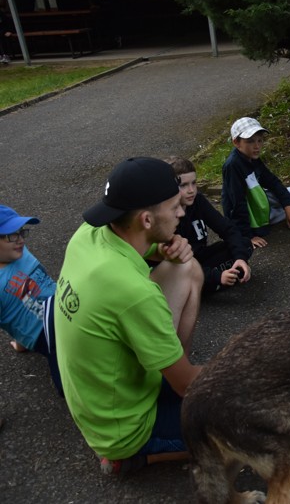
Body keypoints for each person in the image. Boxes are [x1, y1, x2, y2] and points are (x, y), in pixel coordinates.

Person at [55, 157, 204, 474]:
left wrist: (165, 249)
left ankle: (171, 363)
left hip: (98, 400)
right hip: (127, 430)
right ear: (147, 220)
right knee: (246, 427)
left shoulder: (89, 233)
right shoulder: (134, 293)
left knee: (187, 268)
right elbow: (189, 385)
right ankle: (131, 457)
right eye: (175, 206)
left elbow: (139, 248)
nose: (182, 213)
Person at [164, 156, 252, 295]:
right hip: (182, 266)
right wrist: (216, 277)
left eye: (194, 183)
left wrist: (240, 258)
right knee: (180, 275)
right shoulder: (166, 216)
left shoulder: (197, 200)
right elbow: (176, 262)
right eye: (183, 185)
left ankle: (210, 283)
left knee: (245, 244)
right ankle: (209, 283)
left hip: (202, 258)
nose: (191, 190)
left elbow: (227, 229)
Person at [0, 205, 61, 395]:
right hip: (46, 335)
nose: (20, 240)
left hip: (63, 303)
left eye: (21, 232)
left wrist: (20, 343)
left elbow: (23, 297)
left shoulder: (18, 251)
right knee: (71, 385)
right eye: (11, 235)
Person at [221, 116, 290, 249]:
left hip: (258, 201)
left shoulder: (252, 158)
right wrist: (248, 236)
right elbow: (236, 203)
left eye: (260, 140)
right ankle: (262, 222)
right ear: (236, 142)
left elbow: (272, 181)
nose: (257, 146)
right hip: (247, 211)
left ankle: (280, 213)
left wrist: (288, 208)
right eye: (250, 141)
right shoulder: (233, 166)